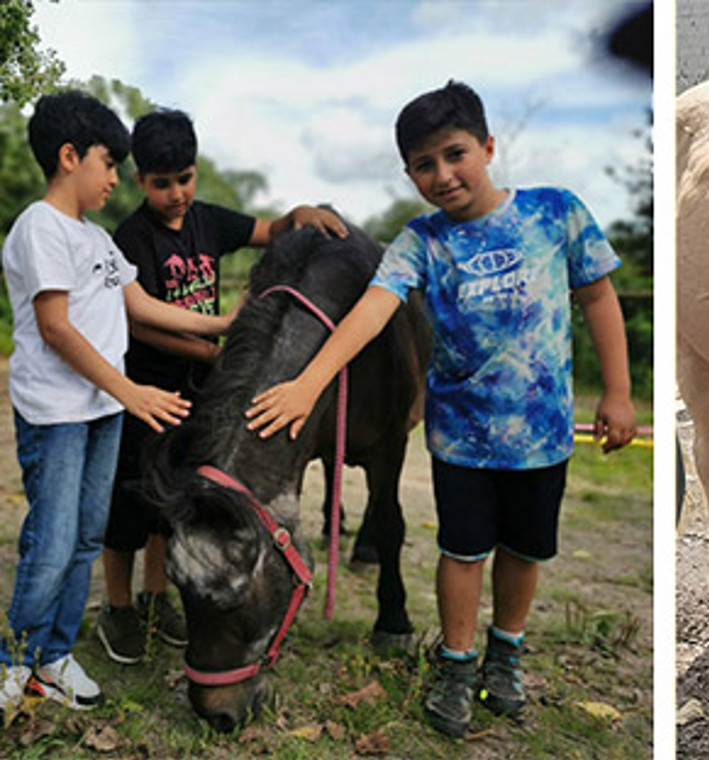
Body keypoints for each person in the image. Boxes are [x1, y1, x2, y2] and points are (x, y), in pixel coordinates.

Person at [241, 80, 636, 738]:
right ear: (409, 174)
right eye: (424, 165)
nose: (443, 174)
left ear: (487, 146)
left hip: (543, 436)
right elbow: (371, 311)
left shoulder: (555, 212)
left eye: (455, 154)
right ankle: (456, 664)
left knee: (525, 551)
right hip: (461, 438)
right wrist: (309, 381)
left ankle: (505, 653)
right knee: (462, 551)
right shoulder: (420, 243)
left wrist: (617, 392)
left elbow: (598, 298)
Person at [0, 90, 231, 710]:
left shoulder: (100, 241)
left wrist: (227, 323)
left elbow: (144, 306)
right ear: (69, 157)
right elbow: (57, 327)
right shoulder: (40, 227)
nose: (113, 179)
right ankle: (13, 663)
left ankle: (52, 659)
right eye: (109, 164)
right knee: (50, 541)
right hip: (59, 415)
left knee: (83, 539)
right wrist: (130, 390)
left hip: (102, 413)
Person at [96, 107, 350, 666]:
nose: (177, 194)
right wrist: (215, 351)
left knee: (178, 503)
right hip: (147, 393)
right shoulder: (131, 237)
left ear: (195, 171)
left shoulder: (207, 220)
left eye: (185, 179)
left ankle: (157, 596)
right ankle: (117, 606)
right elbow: (139, 322)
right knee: (129, 508)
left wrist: (301, 213)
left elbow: (268, 231)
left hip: (201, 398)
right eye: (162, 184)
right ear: (141, 182)